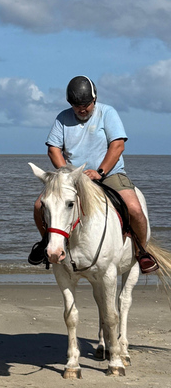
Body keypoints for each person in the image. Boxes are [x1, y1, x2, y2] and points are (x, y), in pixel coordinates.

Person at [29, 75, 158, 273]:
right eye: (76, 105)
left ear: (94, 99)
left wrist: (100, 172)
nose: (82, 109)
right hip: (73, 178)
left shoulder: (108, 113)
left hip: (109, 174)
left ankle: (142, 252)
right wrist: (68, 175)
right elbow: (53, 149)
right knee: (39, 206)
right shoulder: (62, 118)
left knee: (135, 210)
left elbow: (117, 145)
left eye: (86, 104)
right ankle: (46, 240)